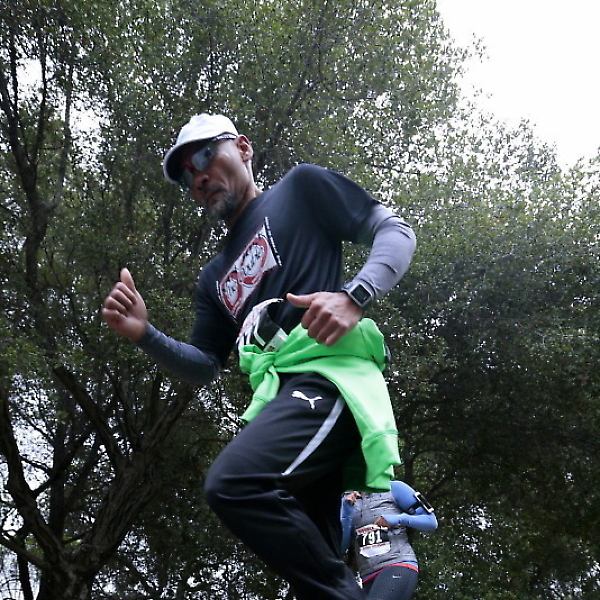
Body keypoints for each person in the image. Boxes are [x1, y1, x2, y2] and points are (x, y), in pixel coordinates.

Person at [102, 113, 417, 600]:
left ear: (244, 148)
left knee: (234, 482)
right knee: (312, 568)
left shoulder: (301, 189)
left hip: (330, 379)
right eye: (187, 174)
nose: (198, 175)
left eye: (205, 155)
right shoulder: (213, 277)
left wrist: (354, 296)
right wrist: (145, 333)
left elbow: (394, 229)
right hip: (283, 404)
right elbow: (205, 364)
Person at [340, 481, 438, 600]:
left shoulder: (394, 488)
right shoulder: (347, 500)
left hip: (398, 564)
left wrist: (398, 519)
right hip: (367, 576)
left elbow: (431, 521)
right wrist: (346, 512)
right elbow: (341, 547)